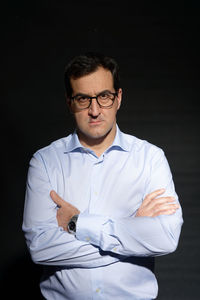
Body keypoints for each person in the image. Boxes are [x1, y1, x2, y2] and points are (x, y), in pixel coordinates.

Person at [23, 52, 183, 300]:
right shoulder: (45, 162)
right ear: (69, 102)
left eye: (104, 97)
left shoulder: (150, 158)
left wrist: (78, 223)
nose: (95, 110)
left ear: (118, 98)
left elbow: (166, 238)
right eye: (83, 99)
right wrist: (132, 231)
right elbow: (40, 248)